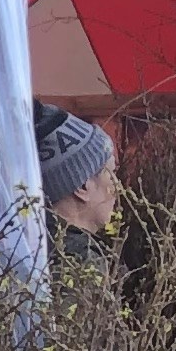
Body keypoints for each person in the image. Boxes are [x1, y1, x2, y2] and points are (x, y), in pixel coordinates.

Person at [36, 105, 116, 253]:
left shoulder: (27, 250)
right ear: (83, 187)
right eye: (111, 174)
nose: (119, 188)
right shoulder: (82, 263)